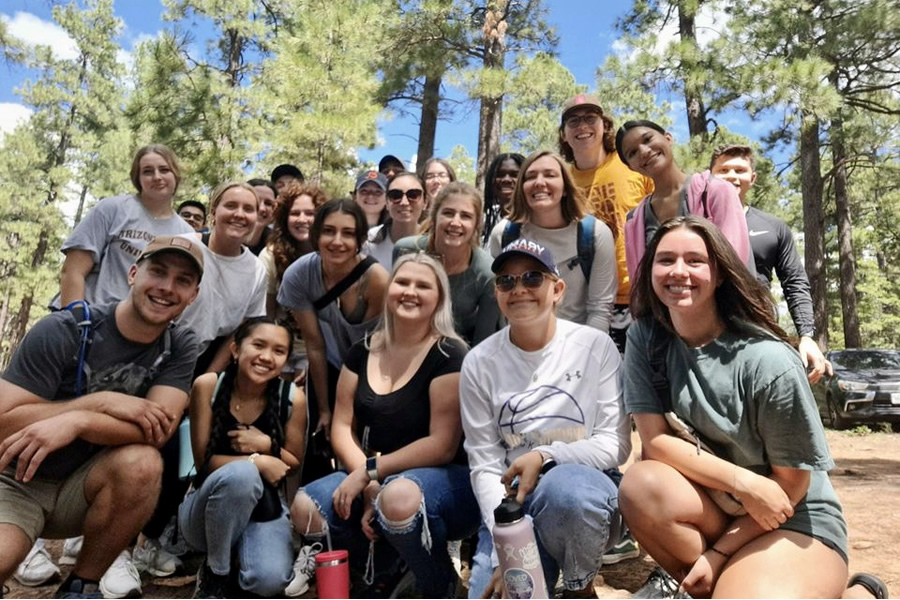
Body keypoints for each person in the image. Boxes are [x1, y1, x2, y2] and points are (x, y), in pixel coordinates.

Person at [620, 215, 887, 599]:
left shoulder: (768, 361)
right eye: (666, 260)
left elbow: (790, 488)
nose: (679, 271)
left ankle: (858, 594)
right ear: (650, 271)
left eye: (695, 260)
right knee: (641, 485)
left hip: (794, 518)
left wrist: (717, 554)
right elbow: (656, 442)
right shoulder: (646, 339)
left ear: (720, 274)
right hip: (727, 502)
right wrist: (743, 483)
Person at [0, 235, 203, 599]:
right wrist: (97, 403)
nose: (167, 287)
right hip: (16, 481)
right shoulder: (66, 329)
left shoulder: (179, 345)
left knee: (142, 462)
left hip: (86, 487)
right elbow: (5, 420)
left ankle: (82, 586)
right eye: (158, 272)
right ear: (133, 274)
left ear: (193, 295)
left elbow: (158, 430)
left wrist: (80, 422)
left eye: (183, 280)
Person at [289, 253, 479, 597]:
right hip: (374, 475)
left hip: (440, 482)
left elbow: (442, 444)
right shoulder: (360, 351)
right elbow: (341, 427)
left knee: (398, 499)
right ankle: (381, 569)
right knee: (306, 508)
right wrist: (368, 483)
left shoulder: (450, 354)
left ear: (439, 299)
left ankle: (438, 581)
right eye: (402, 282)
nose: (410, 291)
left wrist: (370, 473)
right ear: (389, 290)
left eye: (423, 286)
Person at [460, 238, 631, 598]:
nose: (519, 289)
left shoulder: (595, 347)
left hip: (586, 491)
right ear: (497, 292)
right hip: (513, 501)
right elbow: (485, 463)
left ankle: (579, 587)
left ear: (558, 290)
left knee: (564, 491)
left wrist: (546, 456)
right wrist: (505, 542)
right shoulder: (478, 362)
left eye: (533, 278)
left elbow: (615, 444)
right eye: (506, 281)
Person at [179, 317, 307, 598]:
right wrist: (256, 461)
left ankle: (241, 557)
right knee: (243, 475)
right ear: (236, 349)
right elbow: (203, 464)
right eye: (258, 345)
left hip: (264, 508)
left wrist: (268, 445)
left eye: (278, 351)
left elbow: (292, 463)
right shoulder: (208, 386)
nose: (266, 357)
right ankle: (216, 573)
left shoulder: (292, 398)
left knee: (269, 582)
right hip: (205, 511)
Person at [277, 199, 389, 483]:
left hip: (371, 366)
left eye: (348, 233)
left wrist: (347, 407)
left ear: (360, 239)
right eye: (328, 231)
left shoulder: (376, 280)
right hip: (327, 363)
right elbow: (314, 345)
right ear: (316, 235)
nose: (337, 241)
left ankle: (369, 489)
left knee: (361, 440)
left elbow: (380, 347)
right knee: (317, 435)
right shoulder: (299, 275)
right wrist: (325, 409)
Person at [709, 144, 830, 383]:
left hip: (759, 331)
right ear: (710, 176)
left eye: (740, 170)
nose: (732, 176)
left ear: (753, 178)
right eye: (723, 170)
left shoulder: (773, 227)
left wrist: (807, 336)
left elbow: (795, 282)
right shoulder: (695, 224)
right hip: (705, 332)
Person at [559, 94, 654, 356]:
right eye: (573, 121)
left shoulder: (632, 164)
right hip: (586, 305)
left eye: (591, 118)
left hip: (641, 298)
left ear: (605, 125)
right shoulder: (562, 182)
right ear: (564, 134)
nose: (582, 126)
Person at [489, 150, 617, 334]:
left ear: (565, 187)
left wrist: (587, 350)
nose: (539, 182)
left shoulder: (595, 234)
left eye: (550, 175)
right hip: (521, 341)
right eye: (530, 177)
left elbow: (600, 308)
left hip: (578, 342)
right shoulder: (504, 234)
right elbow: (502, 303)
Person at [58, 144, 195, 309]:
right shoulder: (112, 209)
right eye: (148, 171)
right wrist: (76, 318)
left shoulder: (186, 234)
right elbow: (73, 271)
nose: (157, 177)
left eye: (164, 170)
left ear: (176, 175)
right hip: (93, 313)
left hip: (142, 320)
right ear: (138, 178)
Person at [615, 120, 752, 283]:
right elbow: (639, 283)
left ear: (668, 138)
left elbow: (735, 264)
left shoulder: (716, 192)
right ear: (630, 167)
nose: (644, 151)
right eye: (632, 153)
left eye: (648, 139)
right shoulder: (634, 220)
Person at [393, 182, 501, 346]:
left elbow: (483, 343)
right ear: (434, 216)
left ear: (476, 224)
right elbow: (392, 313)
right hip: (404, 343)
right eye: (448, 213)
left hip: (457, 353)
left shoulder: (487, 273)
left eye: (465, 216)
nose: (455, 223)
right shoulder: (405, 251)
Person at [178, 182, 268, 376]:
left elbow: (238, 332)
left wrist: (208, 379)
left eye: (248, 209)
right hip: (151, 347)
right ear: (213, 212)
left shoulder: (257, 270)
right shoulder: (182, 246)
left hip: (203, 360)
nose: (239, 214)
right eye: (231, 206)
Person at [259, 182, 328, 380]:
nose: (302, 219)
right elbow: (267, 312)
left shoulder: (331, 252)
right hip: (281, 346)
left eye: (310, 213)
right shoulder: (271, 255)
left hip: (321, 349)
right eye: (295, 213)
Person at [363, 171, 426, 268]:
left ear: (425, 202)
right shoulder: (369, 240)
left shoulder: (434, 243)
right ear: (387, 203)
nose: (404, 202)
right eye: (395, 195)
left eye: (413, 195)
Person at [481, 153, 524, 248]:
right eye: (500, 175)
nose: (506, 180)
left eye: (514, 175)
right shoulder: (484, 220)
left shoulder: (535, 221)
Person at [245, 178, 278, 256]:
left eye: (268, 203)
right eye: (256, 200)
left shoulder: (277, 245)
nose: (262, 208)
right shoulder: (222, 240)